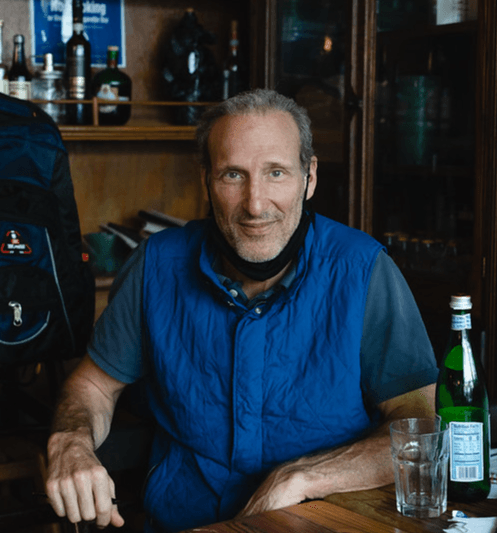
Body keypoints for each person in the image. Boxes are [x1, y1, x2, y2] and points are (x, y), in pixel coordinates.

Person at [45, 89, 438, 532]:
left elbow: (418, 424)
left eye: (276, 173)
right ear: (206, 180)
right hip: (184, 522)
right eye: (233, 175)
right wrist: (70, 443)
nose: (255, 203)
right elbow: (93, 388)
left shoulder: (363, 269)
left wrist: (302, 478)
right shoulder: (157, 265)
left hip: (323, 521)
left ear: (309, 178)